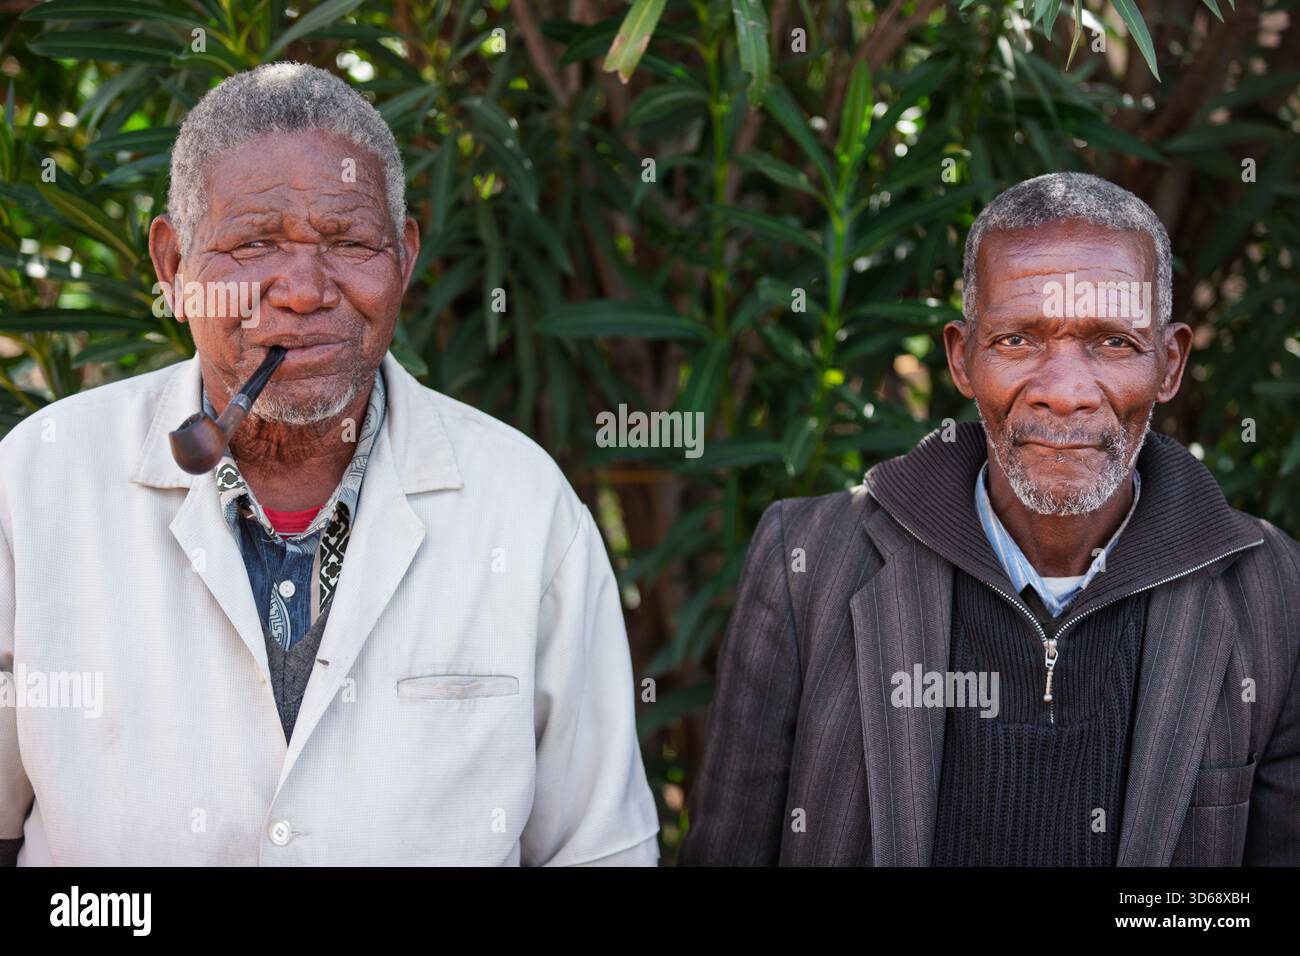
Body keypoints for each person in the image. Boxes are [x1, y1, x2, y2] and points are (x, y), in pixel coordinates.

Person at [0, 62, 658, 866]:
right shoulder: (38, 481)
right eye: (253, 244)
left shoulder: (524, 508)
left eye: (349, 241)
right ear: (173, 268)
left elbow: (600, 850)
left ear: (404, 260)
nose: (306, 291)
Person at [680, 172, 1299, 866]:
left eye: (1112, 343)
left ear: (1170, 362)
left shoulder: (1271, 590)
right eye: (1017, 341)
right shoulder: (808, 562)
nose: (1064, 394)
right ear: (961, 357)